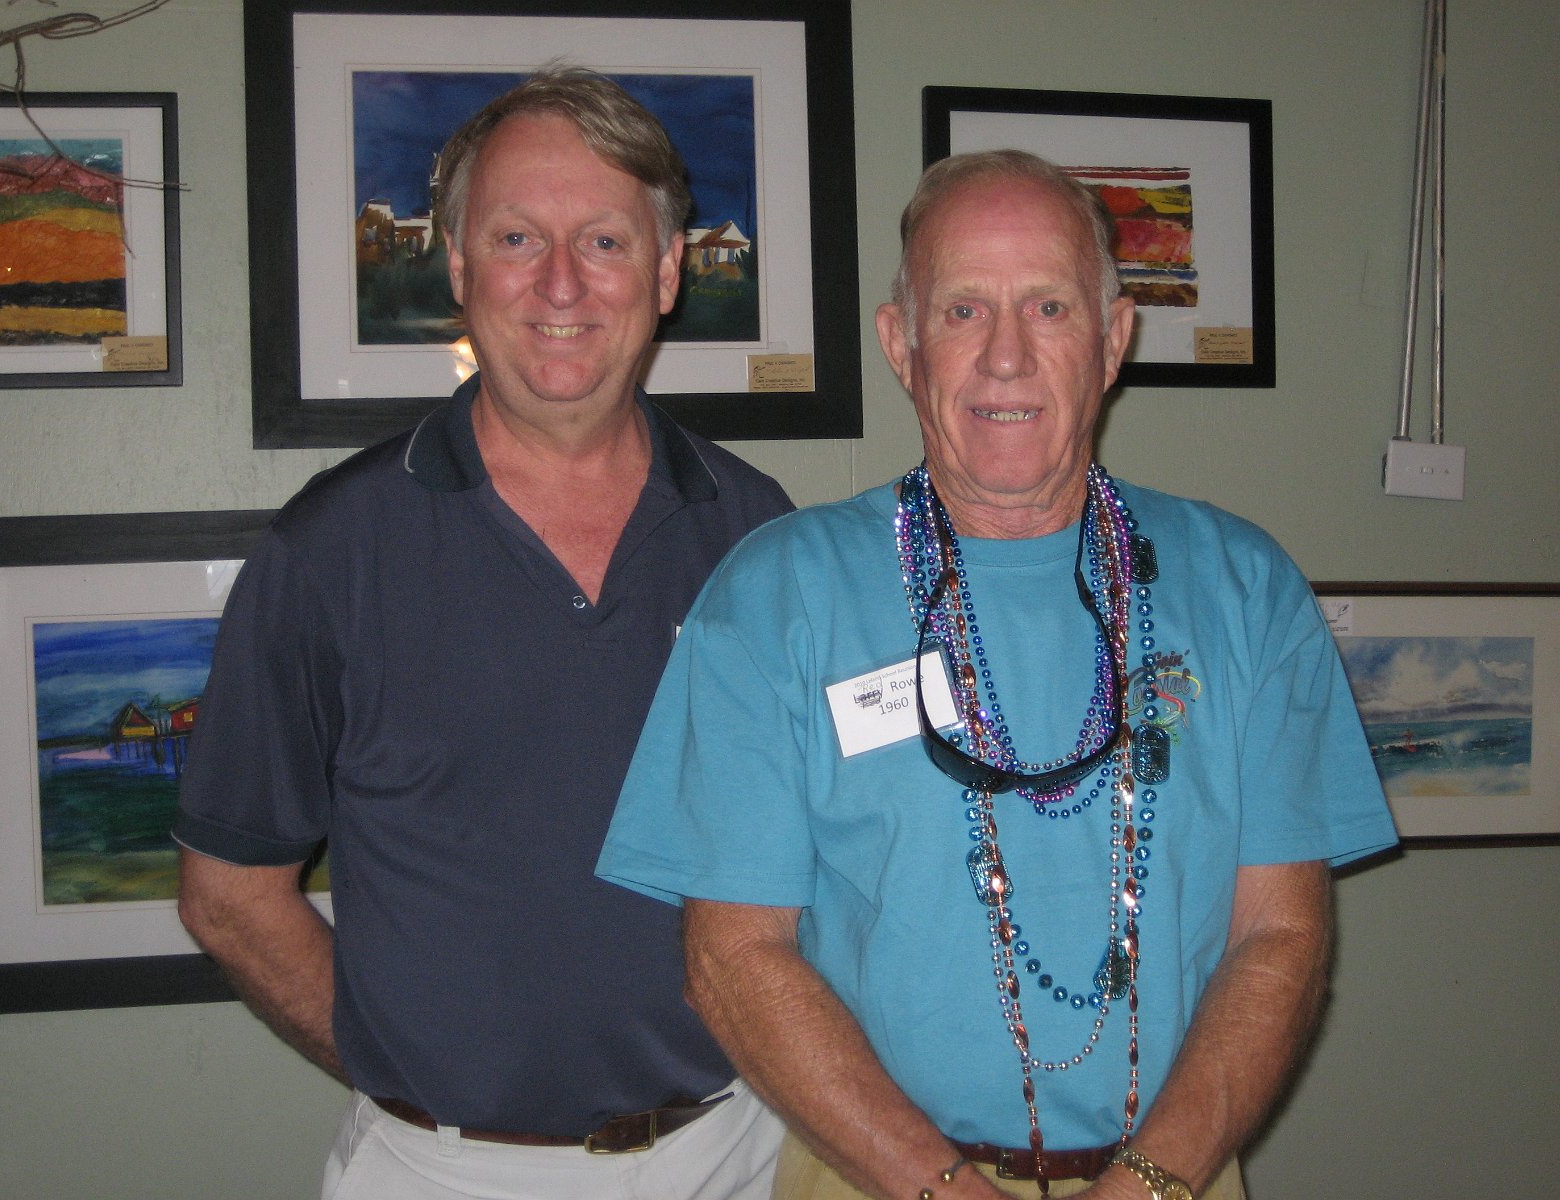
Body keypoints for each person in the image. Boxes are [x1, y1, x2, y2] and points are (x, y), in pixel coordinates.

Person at [596, 150, 1397, 1200]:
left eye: (1050, 308)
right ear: (902, 343)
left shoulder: (1246, 587)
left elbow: (1279, 933)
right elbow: (735, 959)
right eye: (963, 309)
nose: (1007, 358)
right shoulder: (776, 595)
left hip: (1178, 1181)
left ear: (1112, 341)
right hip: (875, 1178)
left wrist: (1149, 1182)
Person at [173, 67, 792, 1200]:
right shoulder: (327, 552)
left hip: (735, 1153)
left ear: (665, 272)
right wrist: (399, 1064)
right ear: (458, 266)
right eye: (516, 237)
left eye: (605, 241)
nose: (561, 284)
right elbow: (228, 892)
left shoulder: (760, 536)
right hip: (440, 1172)